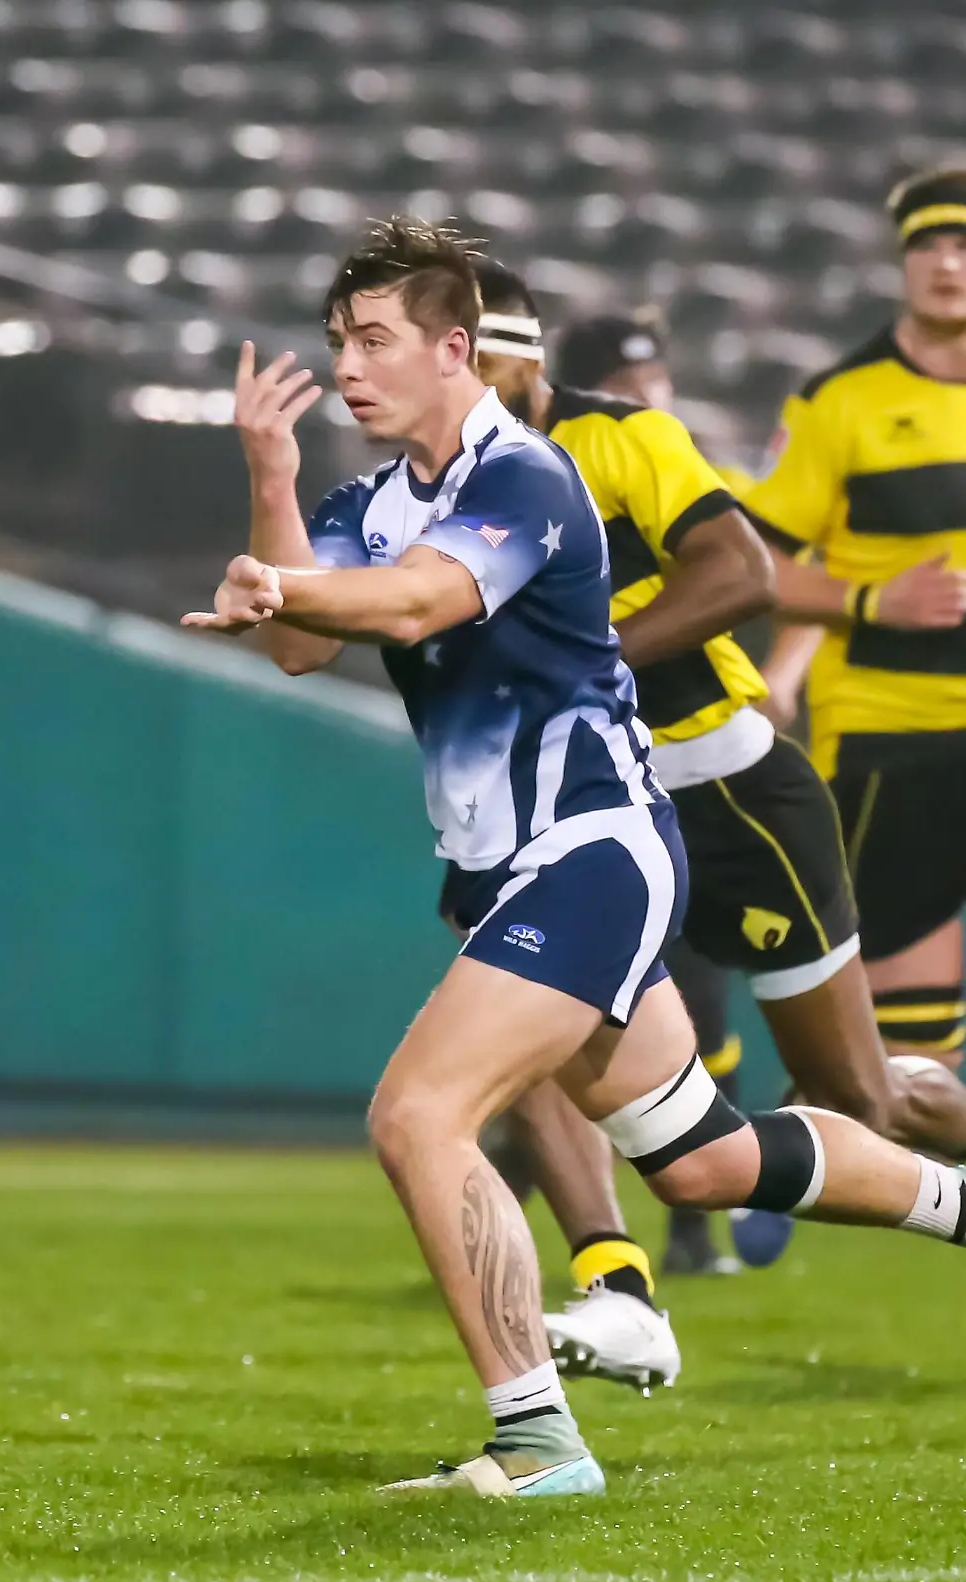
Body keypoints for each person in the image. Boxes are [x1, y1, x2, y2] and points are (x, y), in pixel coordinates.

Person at [182, 219, 966, 1498]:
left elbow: (420, 601)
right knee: (708, 1155)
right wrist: (271, 475)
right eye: (338, 343)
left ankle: (538, 1441)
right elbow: (302, 643)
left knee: (419, 1116)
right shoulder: (363, 500)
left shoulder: (527, 476)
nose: (352, 369)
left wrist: (292, 590)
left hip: (590, 849)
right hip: (512, 865)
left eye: (374, 341)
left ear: (456, 348)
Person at [468, 259, 966, 1391]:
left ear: (515, 353)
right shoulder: (442, 480)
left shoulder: (624, 439)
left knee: (862, 1094)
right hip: (596, 809)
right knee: (539, 1033)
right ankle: (621, 1282)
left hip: (732, 793)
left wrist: (581, 668)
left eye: (474, 352)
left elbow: (742, 572)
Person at [744, 165, 966, 1073]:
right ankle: (799, 1150)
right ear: (902, 263)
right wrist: (874, 600)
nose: (948, 264)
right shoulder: (841, 401)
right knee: (884, 1039)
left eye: (964, 245)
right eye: (928, 246)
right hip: (890, 737)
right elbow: (755, 565)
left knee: (918, 1039)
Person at [552, 306, 745, 1280]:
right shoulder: (545, 474)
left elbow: (752, 572)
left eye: (657, 380)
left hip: (693, 771)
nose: (648, 398)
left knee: (696, 1008)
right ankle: (591, 1240)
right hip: (582, 788)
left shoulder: (669, 469)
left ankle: (680, 1231)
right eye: (630, 383)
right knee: (555, 1025)